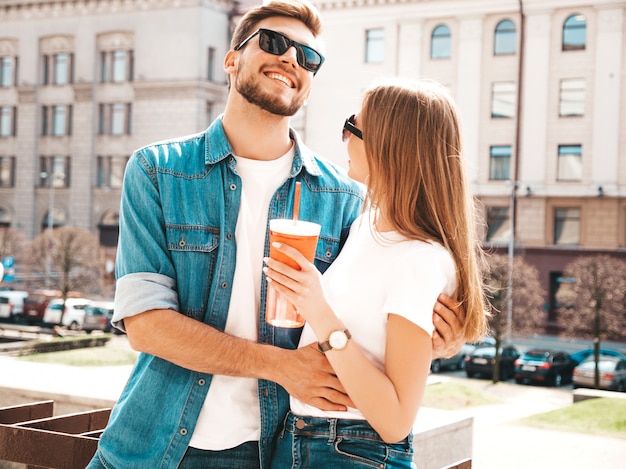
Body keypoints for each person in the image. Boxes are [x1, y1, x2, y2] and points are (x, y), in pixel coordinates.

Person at [87, 2, 466, 468]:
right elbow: (145, 325)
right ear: (231, 60)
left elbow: (376, 308)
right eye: (274, 43)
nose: (291, 59)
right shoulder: (158, 170)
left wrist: (439, 336)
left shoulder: (345, 197)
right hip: (149, 446)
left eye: (309, 58)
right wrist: (280, 366)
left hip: (272, 450)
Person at [263, 78, 489, 468]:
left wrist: (318, 310)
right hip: (302, 438)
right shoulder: (367, 225)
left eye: (353, 126)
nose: (344, 137)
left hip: (352, 450)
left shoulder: (420, 258)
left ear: (389, 148)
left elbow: (395, 421)